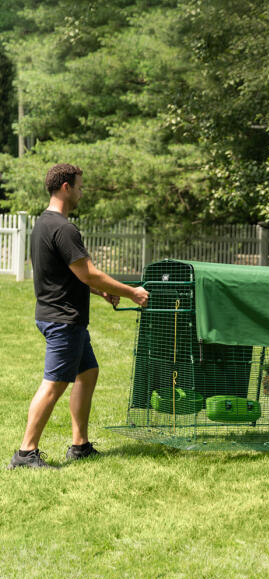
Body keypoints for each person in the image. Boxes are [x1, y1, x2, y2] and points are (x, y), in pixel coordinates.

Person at [8, 163, 149, 469]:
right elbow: (88, 272)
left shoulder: (43, 224)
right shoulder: (63, 228)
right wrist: (131, 292)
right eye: (80, 187)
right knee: (54, 384)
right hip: (63, 319)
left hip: (56, 314)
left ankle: (80, 445)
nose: (82, 193)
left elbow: (67, 274)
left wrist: (100, 292)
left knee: (88, 373)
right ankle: (25, 453)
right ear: (66, 187)